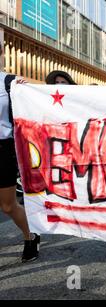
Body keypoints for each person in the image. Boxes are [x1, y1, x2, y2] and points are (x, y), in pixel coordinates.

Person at [0, 48, 40, 262]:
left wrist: (26, 91)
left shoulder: (10, 83)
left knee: (7, 205)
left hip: (3, 148)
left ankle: (30, 236)